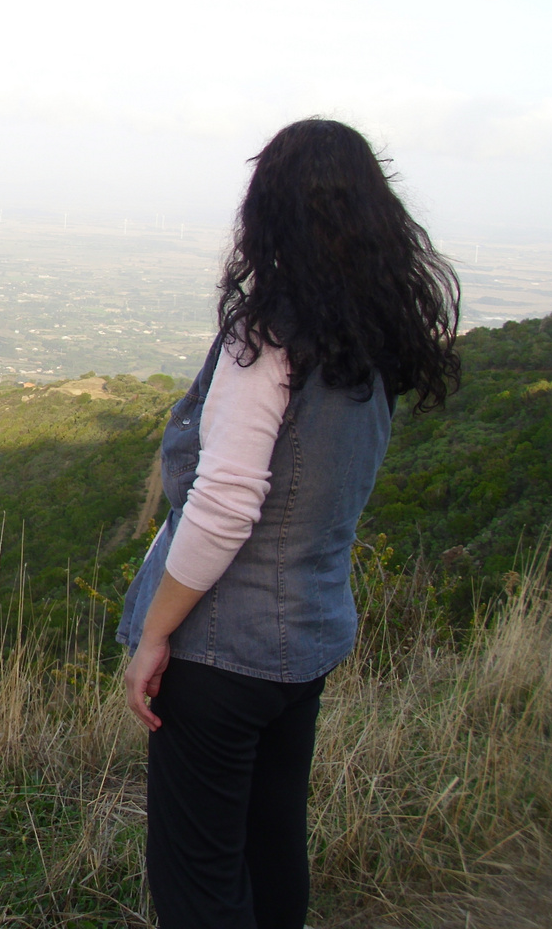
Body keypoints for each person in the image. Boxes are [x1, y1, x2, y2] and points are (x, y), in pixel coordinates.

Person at [116, 119, 460, 929]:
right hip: (305, 645)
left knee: (199, 876)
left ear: (268, 211)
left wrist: (156, 634)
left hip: (222, 654)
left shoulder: (267, 337)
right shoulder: (371, 343)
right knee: (273, 851)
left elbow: (226, 502)